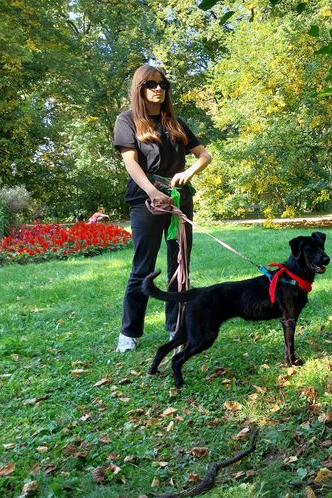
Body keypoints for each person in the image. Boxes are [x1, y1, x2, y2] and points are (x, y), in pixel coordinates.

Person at [113, 64, 212, 352]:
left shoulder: (175, 122)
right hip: (145, 200)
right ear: (139, 88)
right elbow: (131, 162)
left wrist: (189, 173)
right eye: (151, 84)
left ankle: (176, 328)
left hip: (179, 200)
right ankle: (129, 332)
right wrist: (153, 192)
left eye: (163, 84)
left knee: (179, 266)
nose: (158, 88)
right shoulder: (127, 120)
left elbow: (204, 155)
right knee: (143, 267)